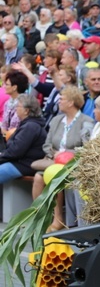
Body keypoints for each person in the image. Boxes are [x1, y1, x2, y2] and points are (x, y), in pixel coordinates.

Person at [31, 86, 94, 231]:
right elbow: (47, 144)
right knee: (38, 178)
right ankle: (39, 217)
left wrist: (66, 154)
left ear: (71, 102)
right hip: (53, 161)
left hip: (72, 164)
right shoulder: (56, 120)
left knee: (56, 176)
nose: (58, 102)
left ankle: (58, 219)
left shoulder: (86, 121)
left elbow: (87, 147)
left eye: (61, 99)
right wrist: (54, 155)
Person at [0, 95, 47, 184]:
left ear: (26, 111)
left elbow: (15, 151)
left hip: (24, 165)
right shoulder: (29, 124)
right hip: (20, 162)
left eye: (18, 106)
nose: (16, 109)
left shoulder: (30, 127)